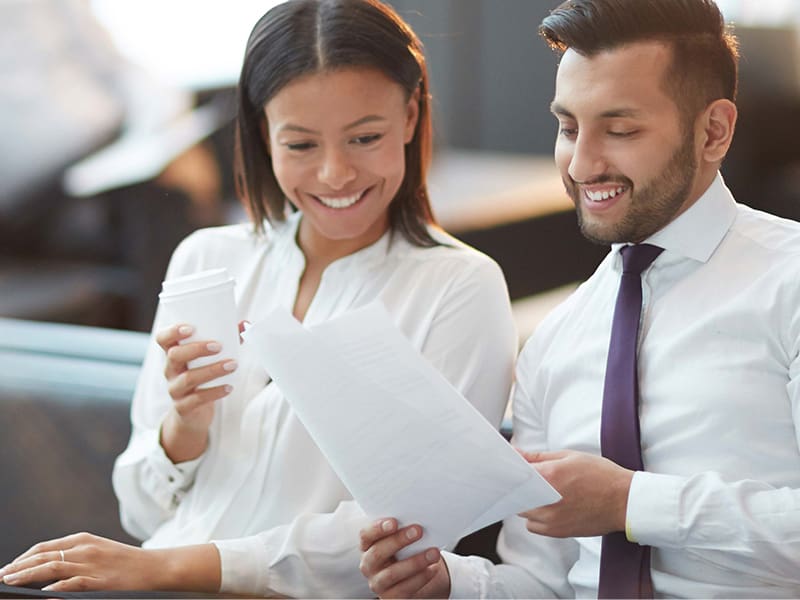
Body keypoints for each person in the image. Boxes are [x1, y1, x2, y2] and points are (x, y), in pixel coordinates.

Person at [0, 0, 517, 596]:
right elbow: (140, 515)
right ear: (262, 134)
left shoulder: (457, 288)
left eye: (364, 137)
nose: (335, 174)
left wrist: (164, 567)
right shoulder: (208, 260)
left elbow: (405, 538)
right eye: (300, 145)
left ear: (409, 116)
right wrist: (184, 426)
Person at [359, 0, 800, 597]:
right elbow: (542, 581)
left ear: (713, 131)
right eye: (568, 128)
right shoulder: (553, 343)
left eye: (620, 130)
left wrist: (629, 503)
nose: (583, 163)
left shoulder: (790, 280)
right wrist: (447, 583)